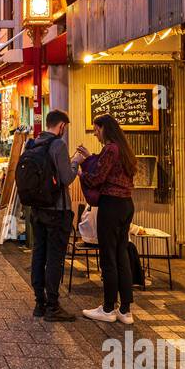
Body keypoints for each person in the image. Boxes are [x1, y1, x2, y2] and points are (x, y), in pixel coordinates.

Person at [78, 113, 138, 324]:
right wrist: (90, 158)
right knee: (121, 255)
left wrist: (82, 175)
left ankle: (107, 308)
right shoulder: (124, 149)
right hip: (126, 205)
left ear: (104, 128)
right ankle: (125, 310)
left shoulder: (111, 149)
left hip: (111, 206)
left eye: (96, 129)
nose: (95, 133)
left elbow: (98, 177)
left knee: (108, 257)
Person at [22, 111, 81, 323]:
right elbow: (66, 177)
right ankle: (53, 306)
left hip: (37, 210)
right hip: (57, 211)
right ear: (62, 126)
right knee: (55, 258)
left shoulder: (33, 143)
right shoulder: (58, 145)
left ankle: (39, 302)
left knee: (39, 254)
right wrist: (76, 162)